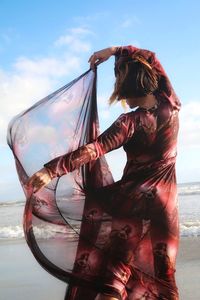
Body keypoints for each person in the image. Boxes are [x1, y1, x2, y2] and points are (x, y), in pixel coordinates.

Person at [27, 45, 181, 300]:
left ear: (126, 90)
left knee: (113, 279)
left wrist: (50, 170)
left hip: (131, 204)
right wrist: (114, 50)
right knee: (164, 280)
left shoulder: (129, 123)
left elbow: (94, 148)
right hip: (166, 207)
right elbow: (151, 57)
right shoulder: (171, 104)